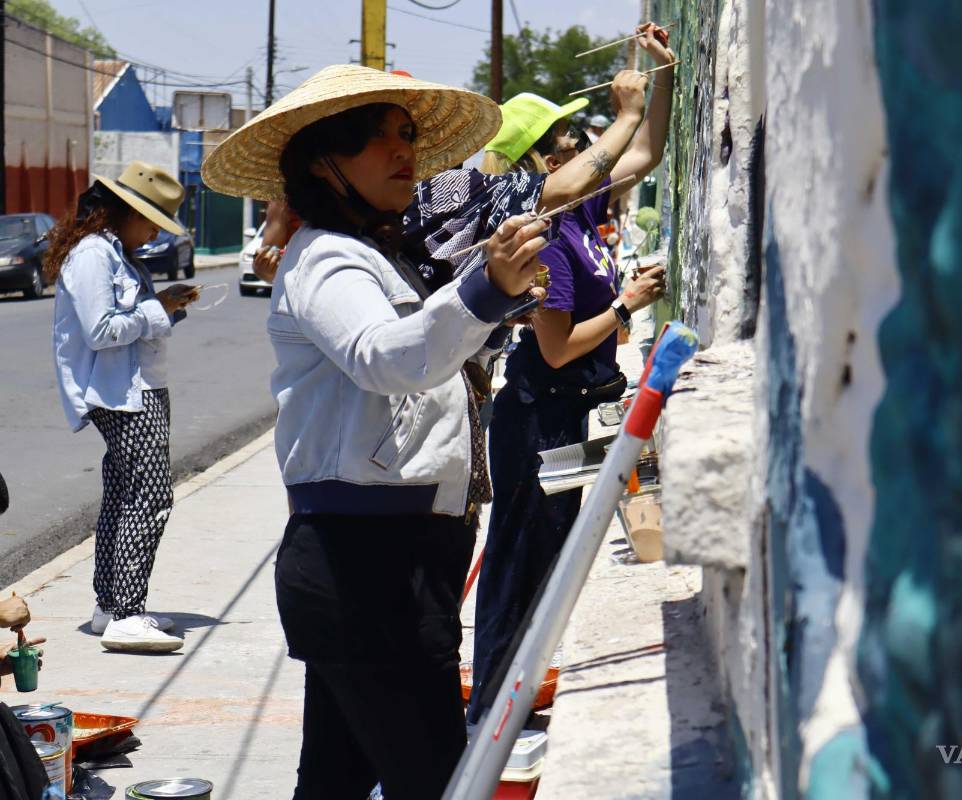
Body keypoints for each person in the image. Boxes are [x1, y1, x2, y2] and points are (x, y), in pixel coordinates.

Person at [200, 61, 657, 799]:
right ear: (325, 162)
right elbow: (388, 358)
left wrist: (487, 298)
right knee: (437, 781)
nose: (404, 153)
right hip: (367, 569)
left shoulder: (380, 257)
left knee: (337, 781)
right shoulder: (327, 259)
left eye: (409, 136)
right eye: (379, 139)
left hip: (394, 561)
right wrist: (485, 289)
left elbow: (427, 353)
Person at [467, 22, 675, 726]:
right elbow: (556, 348)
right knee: (521, 562)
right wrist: (626, 304)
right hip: (541, 411)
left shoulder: (577, 213)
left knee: (548, 561)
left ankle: (508, 701)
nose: (578, 145)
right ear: (538, 161)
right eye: (563, 141)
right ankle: (495, 710)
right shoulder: (545, 240)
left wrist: (662, 72)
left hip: (567, 407)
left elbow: (643, 150)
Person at [47, 162, 196, 654]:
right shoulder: (93, 255)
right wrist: (161, 309)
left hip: (138, 388)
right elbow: (102, 331)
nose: (154, 231)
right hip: (122, 394)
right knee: (149, 498)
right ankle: (127, 613)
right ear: (124, 209)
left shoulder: (118, 253)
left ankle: (111, 608)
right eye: (151, 219)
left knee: (124, 494)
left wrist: (164, 306)